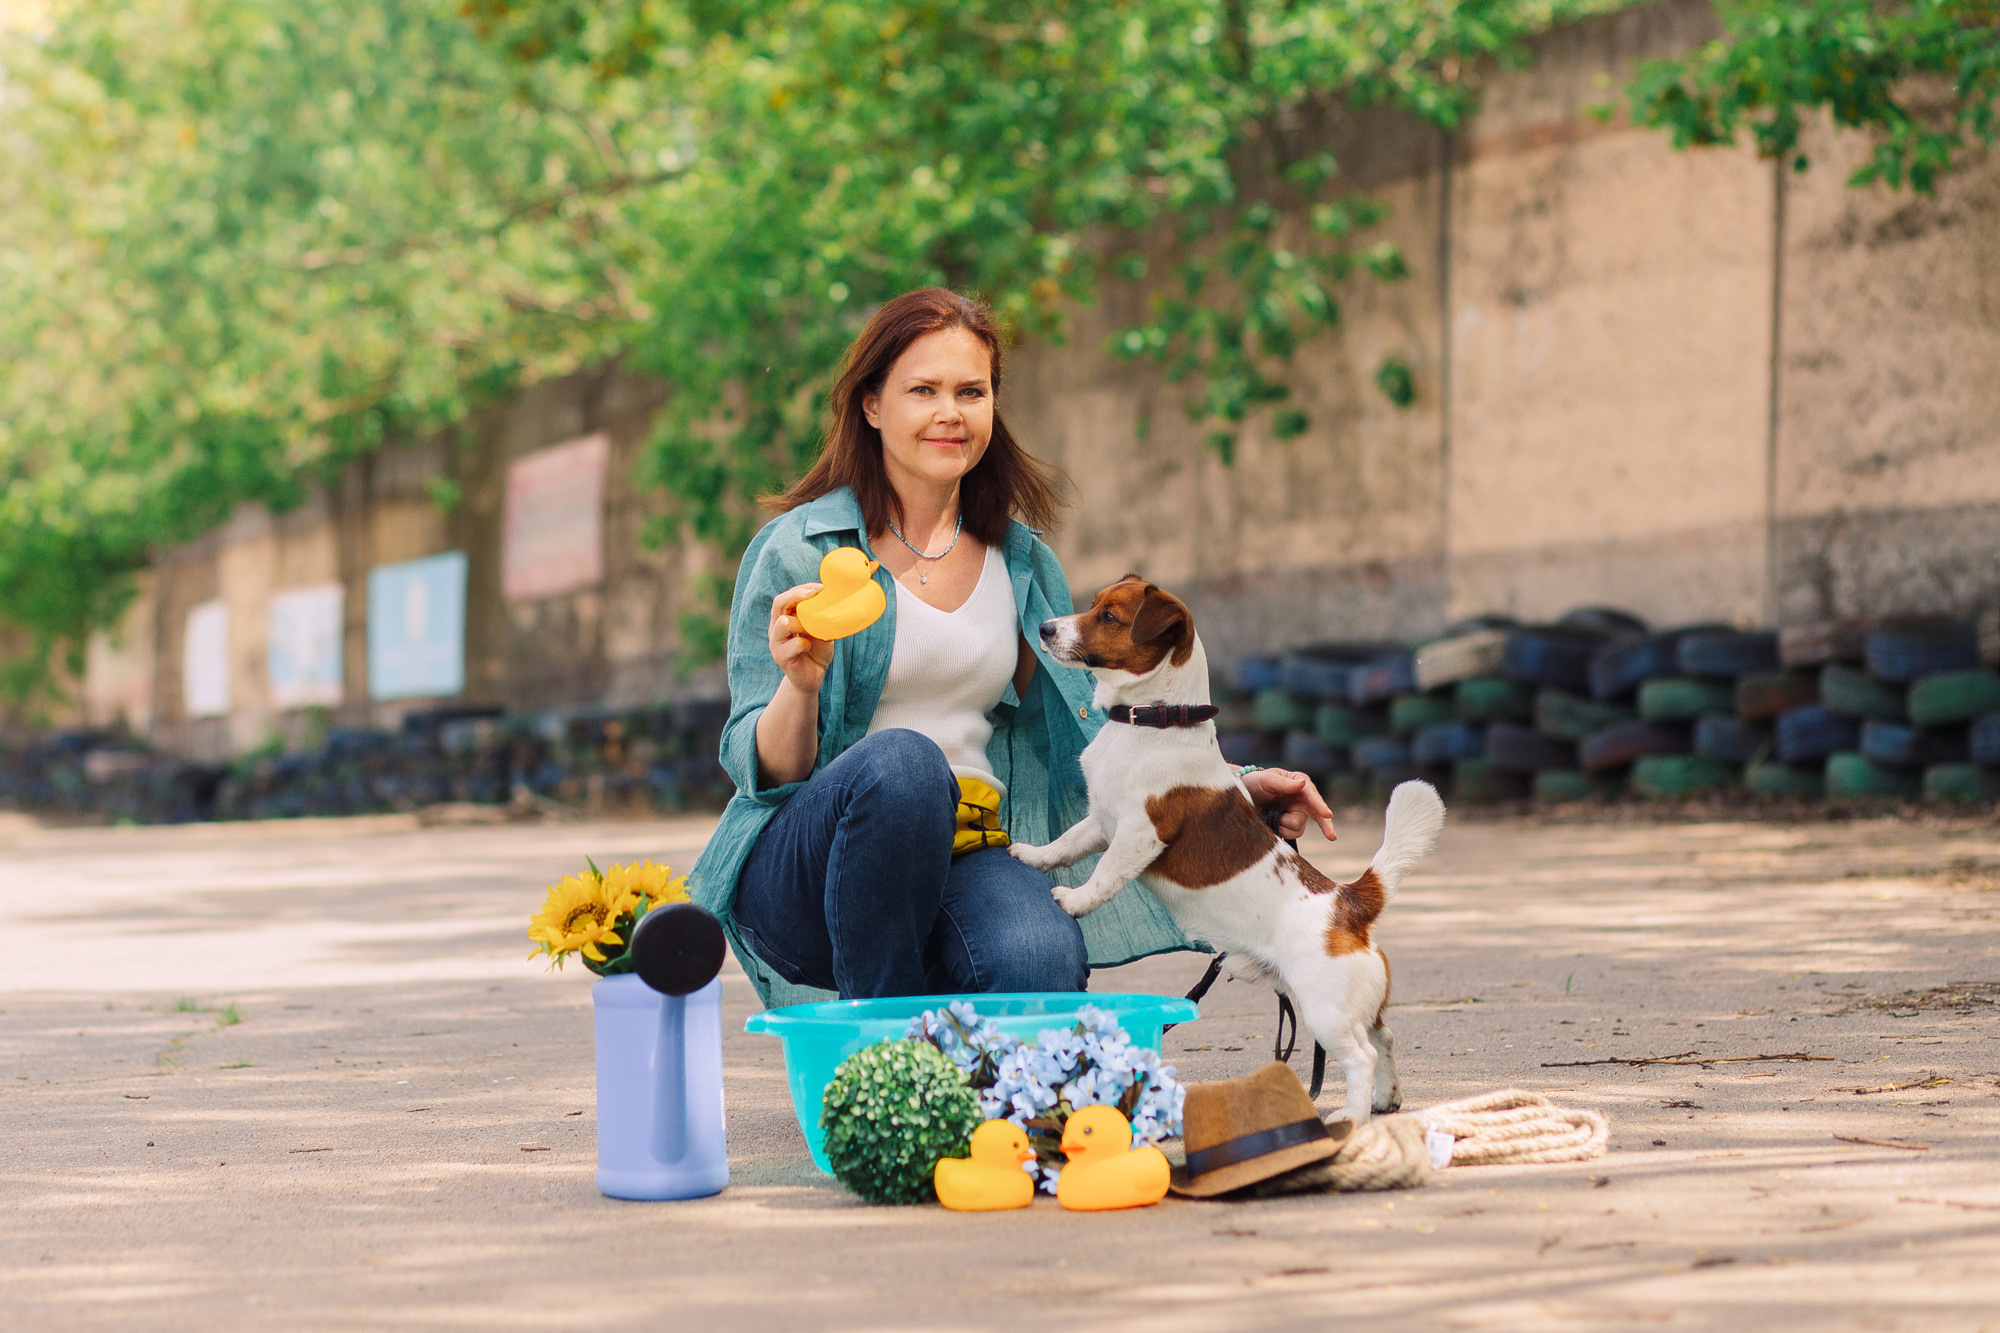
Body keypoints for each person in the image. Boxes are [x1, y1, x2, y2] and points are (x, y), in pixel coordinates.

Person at [689, 287, 1339, 1004]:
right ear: (872, 405)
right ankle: (882, 1045)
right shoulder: (798, 549)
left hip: (964, 850)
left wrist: (1232, 786)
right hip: (810, 870)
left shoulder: (1022, 562)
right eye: (923, 390)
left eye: (971, 392)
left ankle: (948, 1026)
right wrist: (801, 686)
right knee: (905, 763)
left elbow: (1089, 727)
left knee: (1039, 961)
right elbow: (761, 773)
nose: (950, 412)